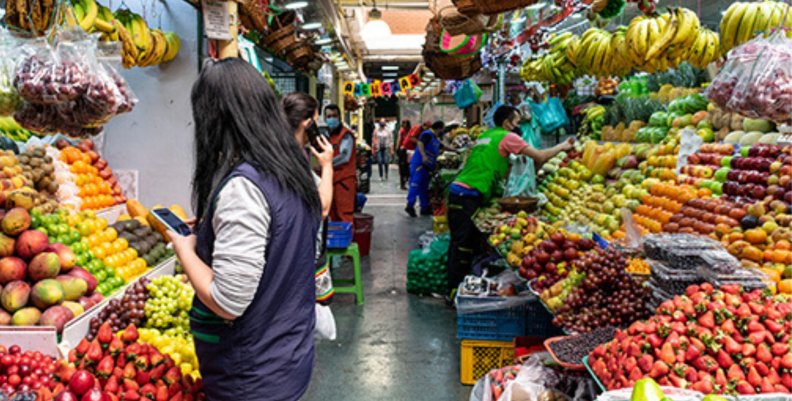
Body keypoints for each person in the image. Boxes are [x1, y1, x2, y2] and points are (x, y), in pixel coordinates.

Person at [168, 58, 321, 401]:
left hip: (250, 374)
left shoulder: (244, 188)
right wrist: (215, 230)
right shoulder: (292, 171)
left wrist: (185, 249)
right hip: (287, 357)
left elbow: (228, 301)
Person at [446, 105, 574, 294]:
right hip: (469, 194)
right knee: (463, 245)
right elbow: (540, 156)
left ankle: (458, 287)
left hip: (459, 191)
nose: (518, 126)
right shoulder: (508, 137)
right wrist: (564, 146)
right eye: (516, 122)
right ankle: (455, 290)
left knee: (460, 242)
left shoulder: (486, 136)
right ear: (507, 123)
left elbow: (497, 169)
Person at [281, 92, 336, 308]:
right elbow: (322, 208)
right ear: (308, 123)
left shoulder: (281, 150)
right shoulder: (294, 157)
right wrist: (327, 165)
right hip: (298, 256)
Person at [325, 104, 357, 224]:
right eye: (328, 116)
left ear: (340, 117)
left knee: (344, 214)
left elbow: (345, 157)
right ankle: (338, 241)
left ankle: (347, 241)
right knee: (333, 215)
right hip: (333, 180)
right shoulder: (330, 136)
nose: (331, 119)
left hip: (344, 182)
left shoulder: (346, 135)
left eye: (334, 116)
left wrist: (326, 163)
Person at [406, 120, 444, 218]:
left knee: (424, 187)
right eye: (442, 129)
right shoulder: (427, 134)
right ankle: (410, 205)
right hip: (419, 164)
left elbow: (442, 147)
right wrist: (423, 155)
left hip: (427, 166)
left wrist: (456, 150)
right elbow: (420, 143)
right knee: (415, 184)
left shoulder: (435, 138)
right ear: (439, 128)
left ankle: (424, 207)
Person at [396, 119, 412, 190]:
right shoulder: (402, 131)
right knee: (403, 167)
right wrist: (397, 148)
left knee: (407, 167)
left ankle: (407, 181)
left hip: (408, 150)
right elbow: (399, 140)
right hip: (403, 150)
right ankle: (403, 183)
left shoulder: (410, 131)